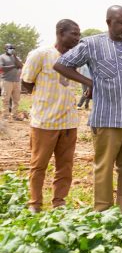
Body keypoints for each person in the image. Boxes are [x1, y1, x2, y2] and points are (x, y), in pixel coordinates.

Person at [54, 5, 122, 214]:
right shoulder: (92, 44)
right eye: (121, 22)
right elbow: (62, 64)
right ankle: (103, 212)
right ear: (109, 23)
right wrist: (89, 82)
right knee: (104, 168)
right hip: (106, 119)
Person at [20, 20, 81, 212]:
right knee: (39, 165)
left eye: (78, 34)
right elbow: (27, 83)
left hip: (69, 122)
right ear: (60, 33)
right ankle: (35, 204)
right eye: (74, 34)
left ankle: (59, 202)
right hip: (44, 122)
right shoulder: (40, 55)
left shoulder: (75, 57)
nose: (77, 38)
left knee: (65, 166)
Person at [0, 43, 24, 120]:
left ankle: (14, 115)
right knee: (5, 99)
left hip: (17, 81)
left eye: (13, 48)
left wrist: (15, 57)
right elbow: (2, 68)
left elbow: (21, 66)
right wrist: (14, 66)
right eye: (10, 48)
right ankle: (5, 116)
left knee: (16, 100)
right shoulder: (2, 57)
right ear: (6, 49)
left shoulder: (16, 57)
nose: (11, 49)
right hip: (6, 81)